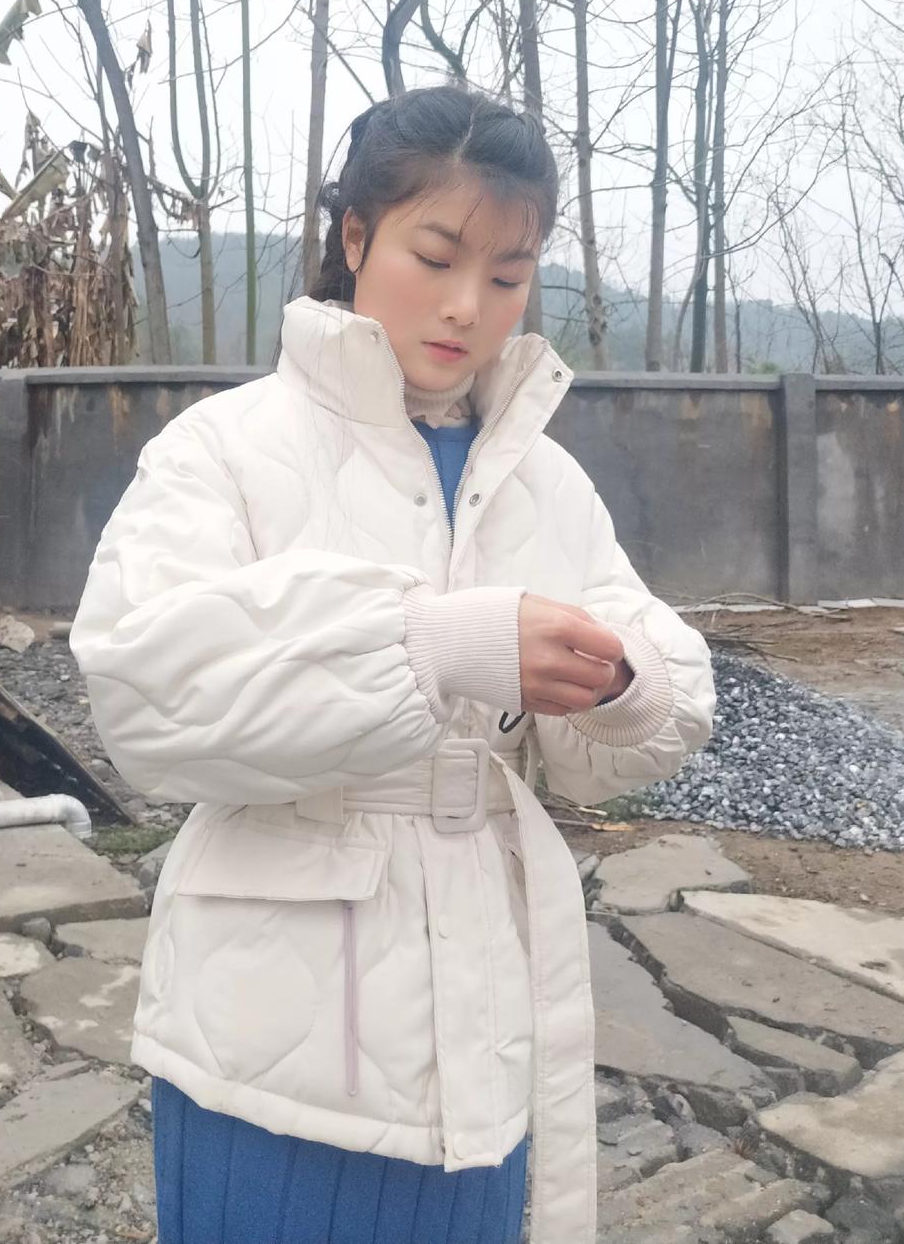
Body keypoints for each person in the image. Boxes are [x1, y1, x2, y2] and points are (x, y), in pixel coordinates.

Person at [71, 85, 716, 1244]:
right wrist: (435, 643)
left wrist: (624, 691)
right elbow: (146, 687)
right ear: (356, 235)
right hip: (266, 1043)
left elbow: (632, 693)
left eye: (508, 274)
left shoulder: (543, 480)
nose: (469, 304)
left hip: (480, 1028)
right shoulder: (228, 446)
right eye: (436, 254)